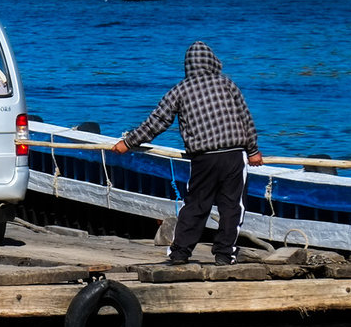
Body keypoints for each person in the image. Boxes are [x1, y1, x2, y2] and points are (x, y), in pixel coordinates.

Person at [112, 40, 264, 265]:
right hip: (234, 155)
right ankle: (224, 254)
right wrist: (253, 151)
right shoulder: (227, 84)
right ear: (212, 62)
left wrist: (129, 142)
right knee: (232, 206)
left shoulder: (179, 91)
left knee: (196, 205)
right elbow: (246, 119)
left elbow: (157, 122)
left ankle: (180, 252)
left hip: (203, 158)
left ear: (188, 66)